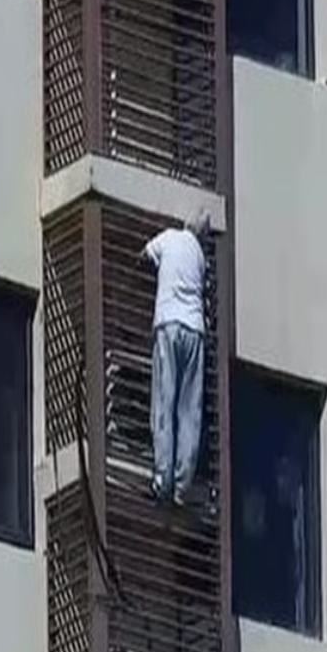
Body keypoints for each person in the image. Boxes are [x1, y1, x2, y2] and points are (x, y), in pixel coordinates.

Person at [140, 209, 211, 506]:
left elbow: (144, 255)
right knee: (189, 410)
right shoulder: (201, 258)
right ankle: (183, 486)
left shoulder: (168, 238)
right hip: (195, 329)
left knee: (164, 401)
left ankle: (162, 479)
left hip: (169, 323)